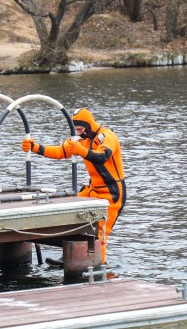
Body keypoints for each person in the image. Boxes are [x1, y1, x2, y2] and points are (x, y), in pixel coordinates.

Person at [22, 108, 125, 264]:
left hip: (112, 193)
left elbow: (102, 156)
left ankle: (100, 268)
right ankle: (70, 256)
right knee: (72, 217)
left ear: (88, 125)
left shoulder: (107, 136)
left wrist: (81, 151)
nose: (78, 133)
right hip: (93, 189)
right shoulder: (81, 140)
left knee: (99, 235)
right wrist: (35, 147)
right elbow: (60, 151)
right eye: (75, 129)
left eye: (80, 129)